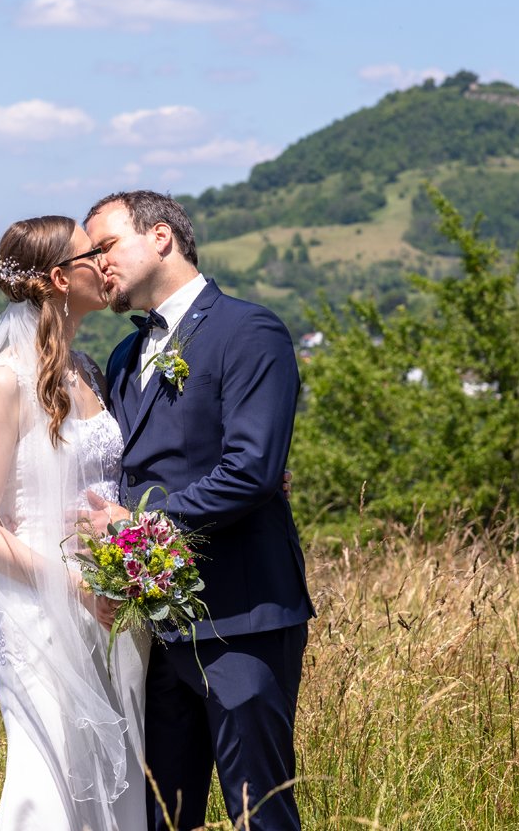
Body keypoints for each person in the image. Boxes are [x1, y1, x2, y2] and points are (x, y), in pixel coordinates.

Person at [83, 190, 315, 831]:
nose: (97, 264)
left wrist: (135, 530)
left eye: (105, 246)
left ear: (161, 237)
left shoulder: (250, 330)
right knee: (162, 816)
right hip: (154, 628)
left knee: (257, 812)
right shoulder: (125, 357)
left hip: (241, 618)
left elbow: (252, 470)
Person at [0, 215, 148, 831]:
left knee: (117, 792)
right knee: (49, 787)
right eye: (94, 254)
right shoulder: (2, 384)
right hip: (43, 618)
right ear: (60, 278)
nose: (107, 264)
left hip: (111, 615)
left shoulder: (88, 369)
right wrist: (72, 585)